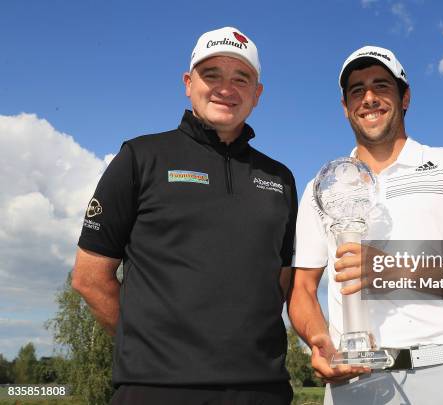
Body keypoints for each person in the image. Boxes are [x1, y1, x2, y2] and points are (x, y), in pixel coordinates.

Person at [72, 26, 297, 405]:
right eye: (212, 75)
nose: (226, 88)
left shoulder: (280, 178)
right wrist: (148, 348)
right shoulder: (139, 158)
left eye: (241, 78)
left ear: (257, 94)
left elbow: (282, 281)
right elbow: (89, 278)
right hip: (155, 389)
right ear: (188, 82)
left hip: (262, 389)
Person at [289, 45, 443, 404]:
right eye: (356, 91)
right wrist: (318, 339)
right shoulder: (321, 185)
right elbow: (302, 288)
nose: (368, 98)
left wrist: (391, 269)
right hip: (354, 383)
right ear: (345, 107)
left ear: (405, 97)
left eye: (381, 86)